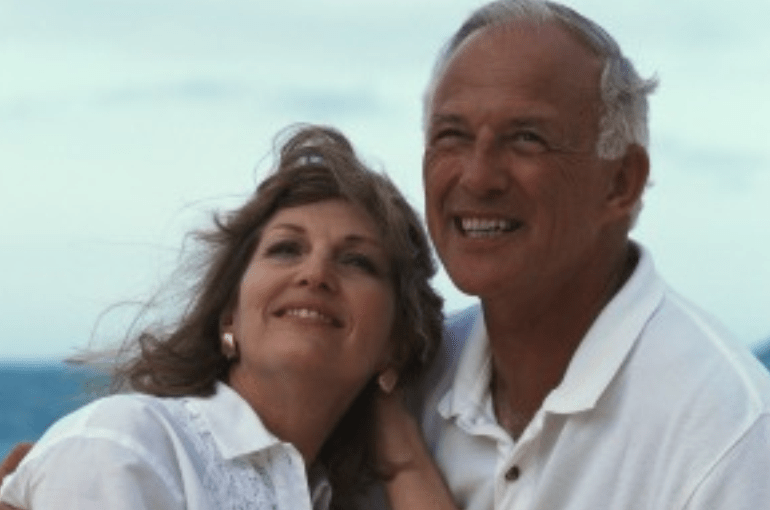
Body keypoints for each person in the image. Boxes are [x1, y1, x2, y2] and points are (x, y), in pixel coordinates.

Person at [376, 0, 770, 508]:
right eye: (451, 136)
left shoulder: (727, 435)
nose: (477, 177)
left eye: (526, 139)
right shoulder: (404, 388)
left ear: (621, 181)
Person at [0, 124, 444, 510]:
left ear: (396, 341)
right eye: (286, 249)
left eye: (357, 261)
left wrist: (400, 446)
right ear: (229, 315)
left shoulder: (337, 497)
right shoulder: (129, 443)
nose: (315, 273)